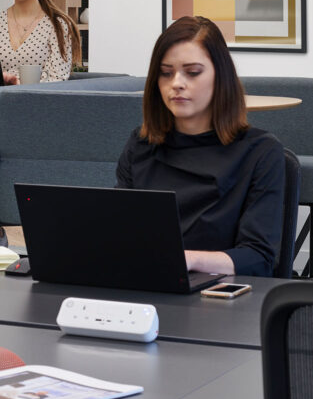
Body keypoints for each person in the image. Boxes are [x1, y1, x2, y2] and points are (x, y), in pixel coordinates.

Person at [115, 16, 285, 277]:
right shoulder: (140, 145)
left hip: (219, 296)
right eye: (166, 73)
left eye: (192, 72)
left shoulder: (260, 153)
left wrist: (187, 260)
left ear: (221, 76)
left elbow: (258, 258)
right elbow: (119, 231)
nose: (177, 84)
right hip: (145, 285)